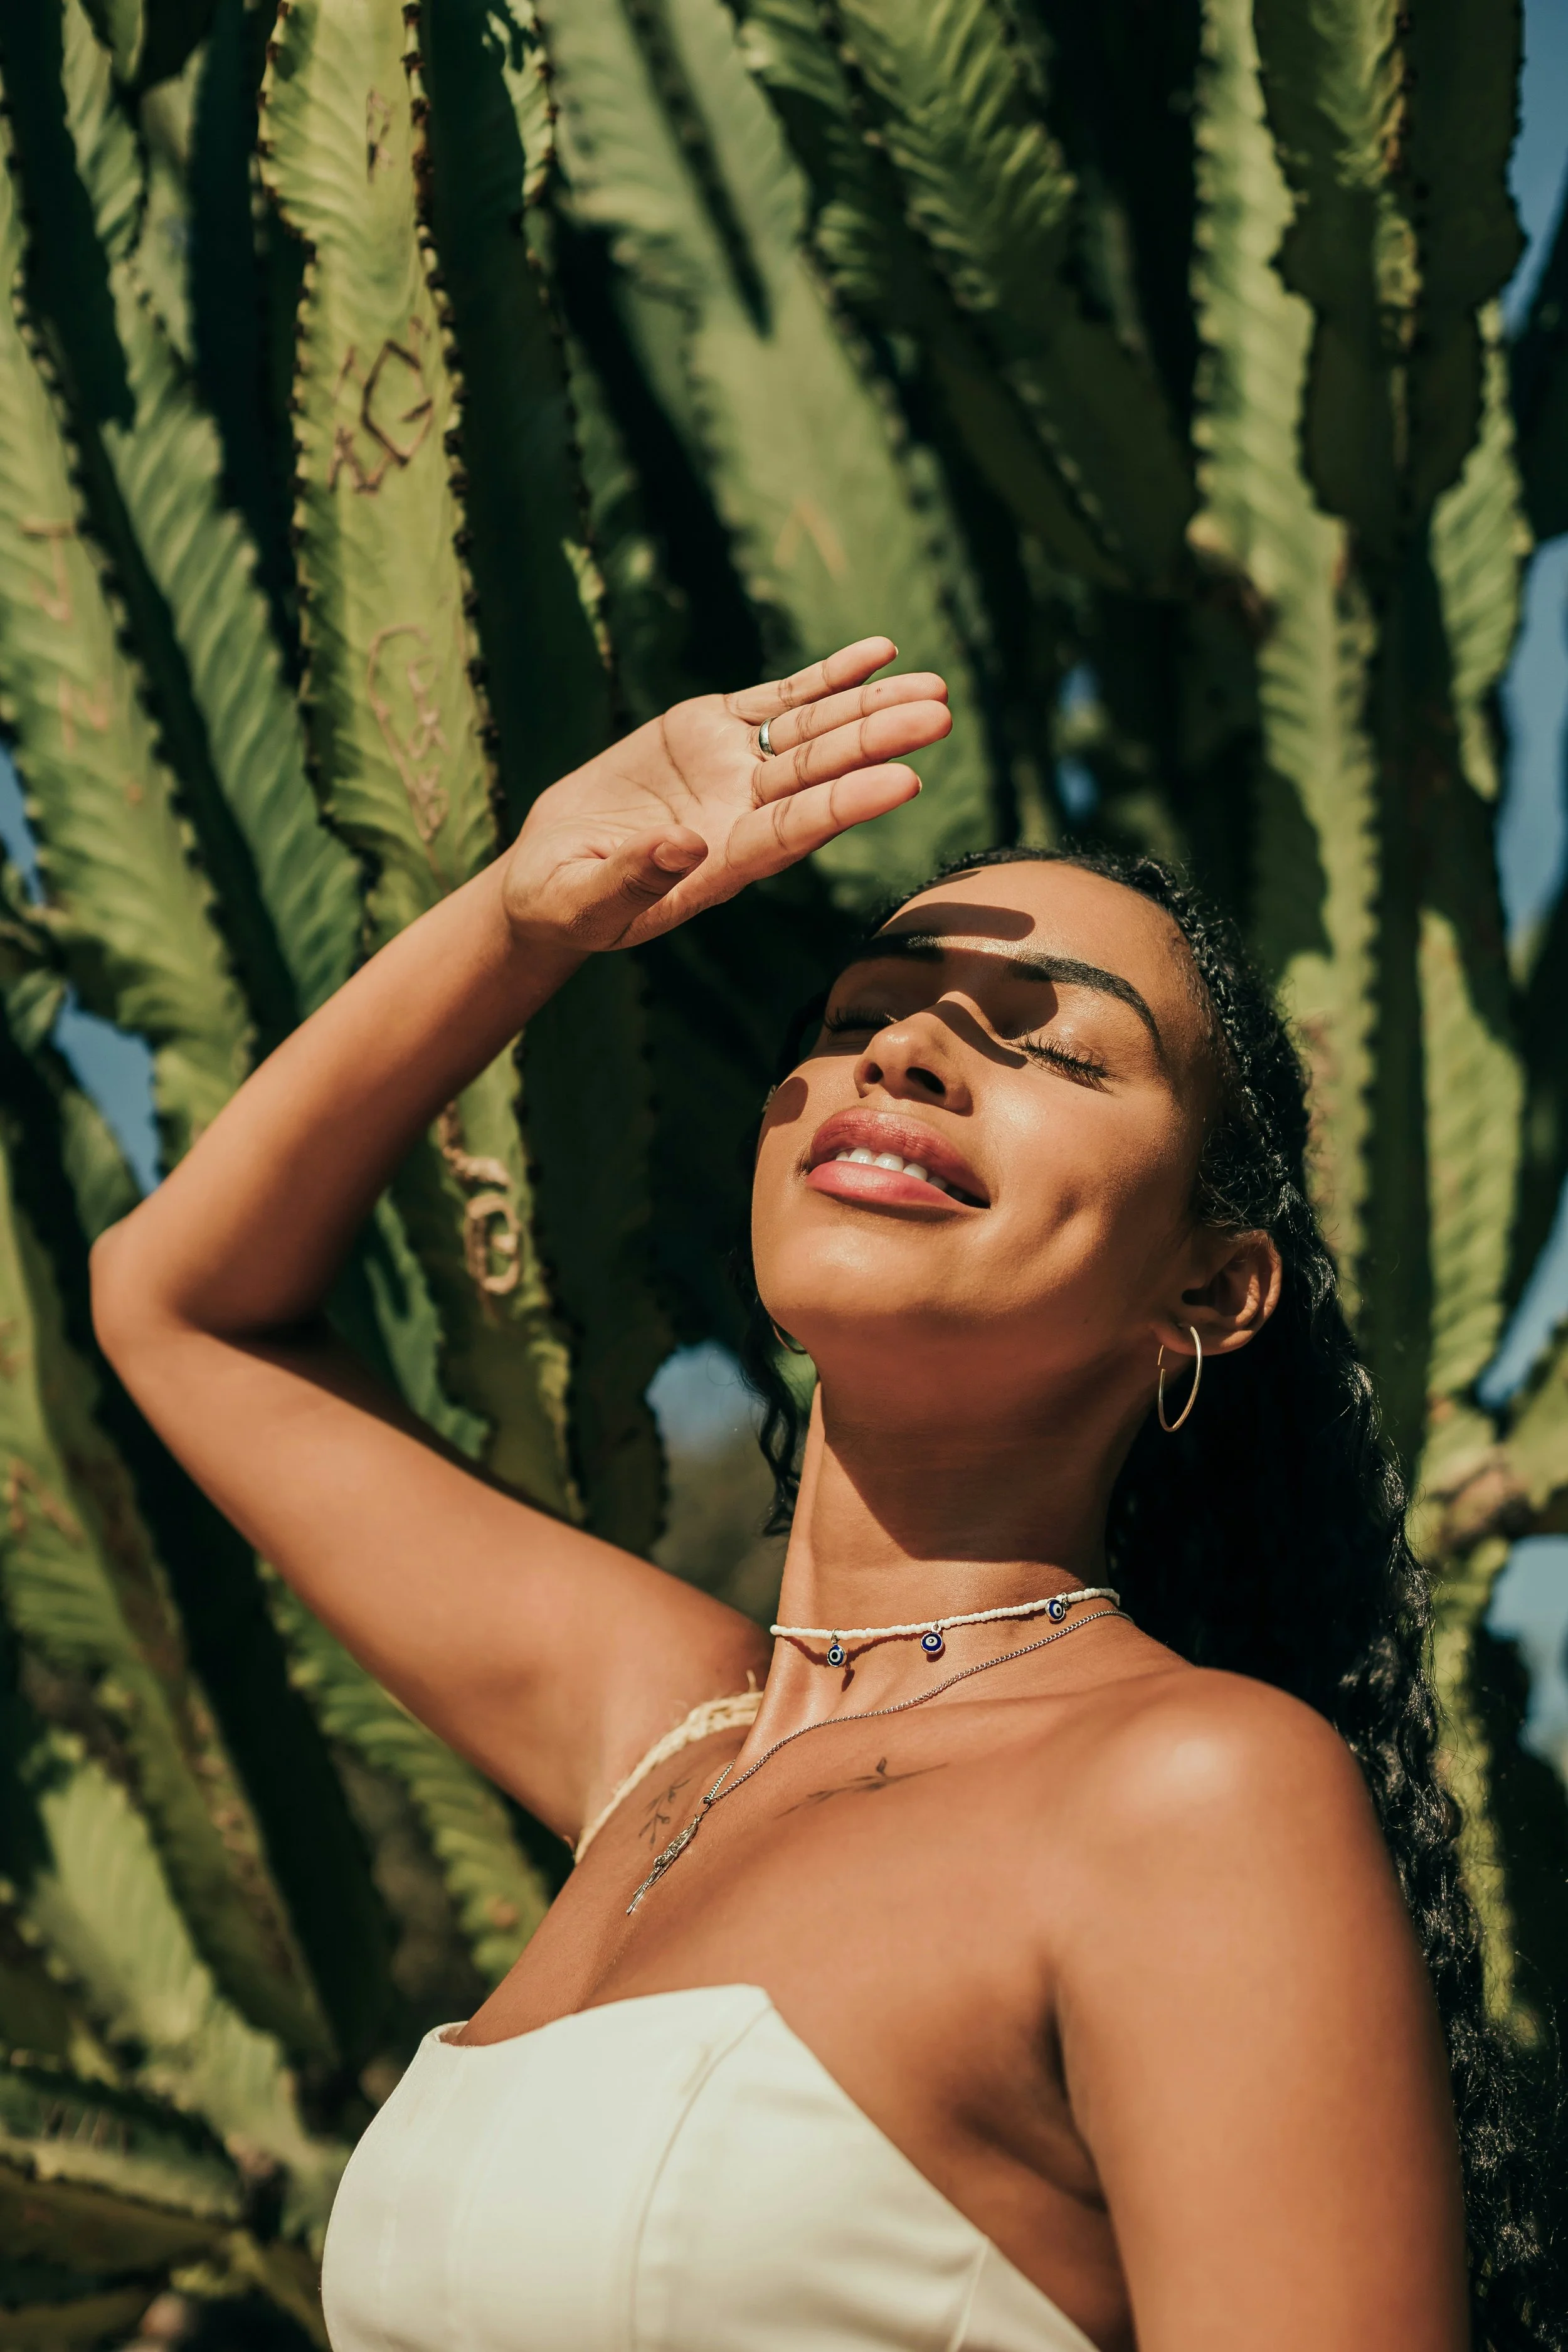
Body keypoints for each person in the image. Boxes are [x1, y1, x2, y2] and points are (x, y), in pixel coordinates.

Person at [91, 639, 1555, 2351]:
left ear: (1210, 1289)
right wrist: (522, 915)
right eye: (860, 1018)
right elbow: (174, 1305)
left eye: (1057, 1050)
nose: (905, 1055)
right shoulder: (663, 1747)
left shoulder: (1191, 1793)